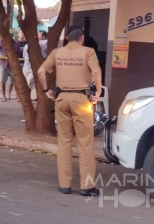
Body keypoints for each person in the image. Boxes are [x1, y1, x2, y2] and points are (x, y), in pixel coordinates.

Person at [37, 25, 102, 197]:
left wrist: (46, 91)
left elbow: (41, 71)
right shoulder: (88, 52)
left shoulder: (57, 52)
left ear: (67, 39)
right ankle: (86, 186)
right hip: (81, 100)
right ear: (82, 38)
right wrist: (98, 90)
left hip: (61, 99)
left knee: (64, 142)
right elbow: (95, 70)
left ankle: (64, 184)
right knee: (84, 142)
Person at [0, 35, 20, 102]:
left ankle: (14, 94)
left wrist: (14, 56)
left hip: (13, 65)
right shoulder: (2, 42)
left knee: (15, 81)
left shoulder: (16, 43)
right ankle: (3, 96)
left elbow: (18, 53)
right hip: (4, 64)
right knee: (2, 81)